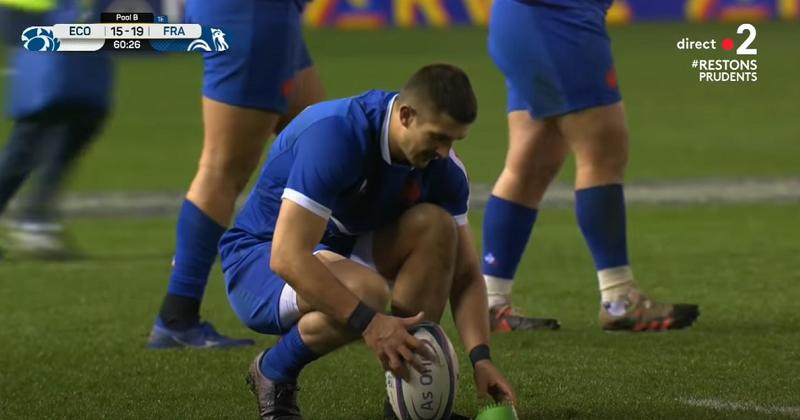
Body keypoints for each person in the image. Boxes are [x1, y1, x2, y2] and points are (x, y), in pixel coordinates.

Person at [218, 64, 516, 419]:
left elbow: (466, 277)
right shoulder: (336, 135)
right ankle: (274, 371)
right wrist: (373, 323)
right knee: (366, 294)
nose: (444, 151)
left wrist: (481, 359)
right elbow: (287, 257)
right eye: (437, 137)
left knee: (436, 227)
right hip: (259, 259)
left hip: (340, 249)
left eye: (453, 140)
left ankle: (405, 404)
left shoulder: (444, 169)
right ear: (405, 115)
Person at [482, 0, 700, 332]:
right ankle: (619, 298)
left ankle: (489, 301)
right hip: (561, 21)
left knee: (531, 163)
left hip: (519, 21)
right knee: (603, 151)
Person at [147, 0, 326, 348]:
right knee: (222, 169)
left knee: (317, 141)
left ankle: (337, 285)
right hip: (251, 13)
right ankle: (177, 317)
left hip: (265, 13)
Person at [0, 0, 111, 259]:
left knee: (83, 115)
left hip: (76, 20)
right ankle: (34, 218)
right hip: (45, 16)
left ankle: (35, 214)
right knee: (42, 119)